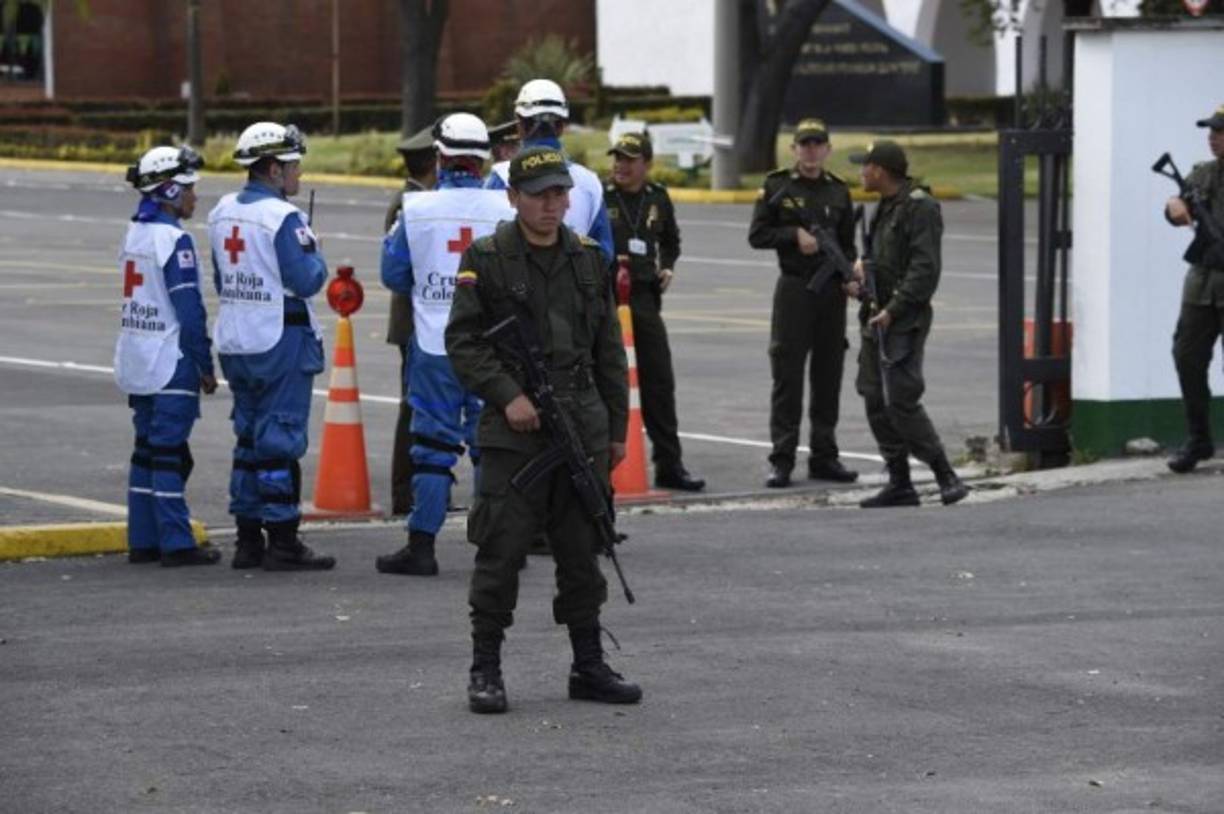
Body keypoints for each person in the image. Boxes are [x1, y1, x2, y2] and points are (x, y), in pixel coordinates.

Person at [445, 146, 642, 714]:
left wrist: (615, 428)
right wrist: (508, 396)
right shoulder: (487, 258)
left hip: (580, 417)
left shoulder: (587, 259)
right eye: (540, 196)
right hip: (515, 431)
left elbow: (608, 348)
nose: (553, 205)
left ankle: (588, 664)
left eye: (560, 194)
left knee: (583, 547)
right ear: (512, 199)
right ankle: (485, 667)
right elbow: (463, 342)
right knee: (502, 548)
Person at [375, 113, 514, 576]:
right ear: (483, 159)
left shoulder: (415, 210)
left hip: (435, 346)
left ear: (440, 157)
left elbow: (393, 274)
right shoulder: (507, 210)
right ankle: (498, 542)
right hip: (492, 347)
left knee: (431, 446)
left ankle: (422, 545)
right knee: (490, 445)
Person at [207, 122, 336, 570]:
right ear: (274, 168)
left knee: (248, 437)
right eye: (294, 165)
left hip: (236, 337)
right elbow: (305, 280)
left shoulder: (222, 211)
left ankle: (247, 540)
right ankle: (283, 540)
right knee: (279, 439)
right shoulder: (283, 218)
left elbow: (222, 278)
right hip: (279, 338)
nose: (299, 174)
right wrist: (316, 256)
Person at [845, 140, 968, 508]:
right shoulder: (885, 207)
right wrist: (861, 280)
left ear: (879, 170)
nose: (861, 173)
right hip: (876, 315)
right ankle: (899, 481)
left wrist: (895, 309)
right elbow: (885, 263)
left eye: (864, 166)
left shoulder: (920, 207)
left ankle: (945, 474)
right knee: (872, 396)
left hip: (903, 319)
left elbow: (924, 268)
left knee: (901, 398)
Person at [114, 145, 220, 567]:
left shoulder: (134, 233)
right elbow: (189, 310)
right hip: (170, 360)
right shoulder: (175, 240)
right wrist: (205, 365)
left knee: (145, 450)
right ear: (171, 190)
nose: (196, 197)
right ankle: (176, 543)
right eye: (191, 189)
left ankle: (142, 540)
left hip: (137, 358)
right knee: (169, 453)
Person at [748, 118, 859, 488]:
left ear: (827, 149)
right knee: (788, 377)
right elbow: (758, 235)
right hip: (796, 289)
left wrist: (850, 276)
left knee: (829, 376)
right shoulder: (778, 186)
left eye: (818, 144)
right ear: (794, 149)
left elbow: (848, 245)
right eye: (804, 144)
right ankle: (782, 459)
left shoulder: (839, 192)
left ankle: (825, 457)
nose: (811, 151)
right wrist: (793, 234)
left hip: (831, 294)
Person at [604, 132, 704, 491]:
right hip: (608, 301)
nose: (621, 166)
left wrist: (668, 265)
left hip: (645, 300)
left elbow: (671, 241)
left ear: (646, 164)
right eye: (617, 158)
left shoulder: (657, 199)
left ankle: (669, 464)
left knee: (659, 382)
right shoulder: (602, 197)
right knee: (607, 383)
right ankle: (602, 468)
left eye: (629, 160)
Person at [484, 78, 614, 263]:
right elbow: (604, 255)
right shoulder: (590, 183)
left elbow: (482, 245)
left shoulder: (500, 177)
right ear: (561, 127)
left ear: (520, 125)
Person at [1165, 104, 1224, 474]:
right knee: (1187, 356)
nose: (1212, 137)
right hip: (1202, 284)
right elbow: (1179, 206)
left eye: (1219, 131)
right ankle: (1199, 439)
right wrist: (1173, 206)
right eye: (1211, 131)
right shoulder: (1202, 174)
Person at [384, 125, 438, 514]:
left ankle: (417, 490)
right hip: (416, 321)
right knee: (413, 407)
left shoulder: (419, 199)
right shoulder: (409, 203)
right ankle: (405, 493)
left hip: (421, 319)